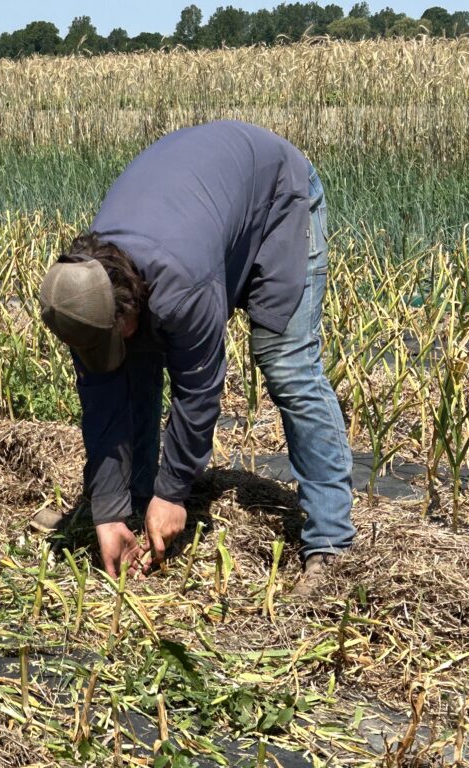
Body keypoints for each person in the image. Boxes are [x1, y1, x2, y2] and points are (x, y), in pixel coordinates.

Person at [38, 121, 354, 596]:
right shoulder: (83, 292)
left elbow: (199, 391)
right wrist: (107, 511)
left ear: (131, 304)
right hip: (205, 216)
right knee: (130, 367)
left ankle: (330, 542)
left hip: (278, 200)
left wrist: (173, 493)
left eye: (114, 334)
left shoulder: (181, 288)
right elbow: (104, 402)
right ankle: (135, 510)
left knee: (288, 365)